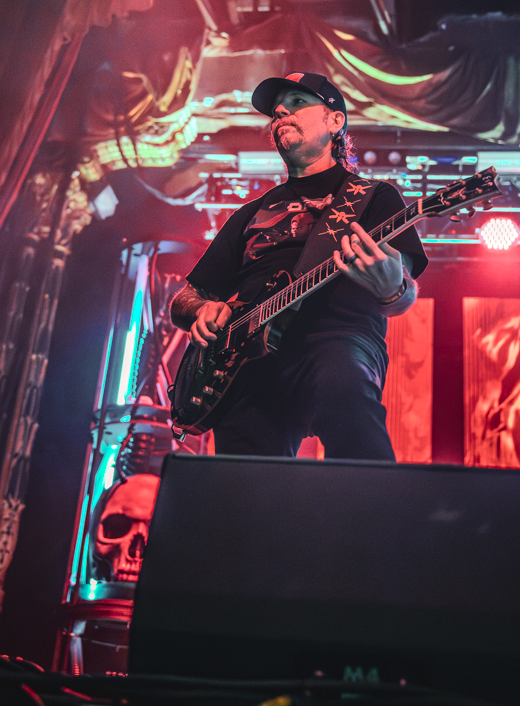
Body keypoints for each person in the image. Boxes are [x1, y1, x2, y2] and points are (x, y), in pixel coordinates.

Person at [170, 72, 428, 459]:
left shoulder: (373, 197)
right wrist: (202, 310)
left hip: (338, 338)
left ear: (335, 121)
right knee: (241, 482)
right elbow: (184, 299)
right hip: (243, 361)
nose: (280, 112)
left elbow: (401, 297)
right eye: (276, 111)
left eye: (297, 103)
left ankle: (374, 498)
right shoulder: (250, 213)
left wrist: (394, 287)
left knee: (346, 399)